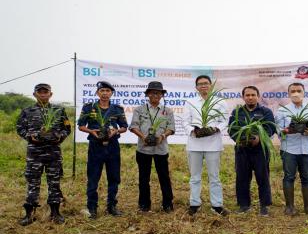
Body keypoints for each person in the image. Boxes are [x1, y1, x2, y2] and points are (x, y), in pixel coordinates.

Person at [16, 83, 71, 225]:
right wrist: (30, 136)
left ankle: (55, 212)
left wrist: (60, 136)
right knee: (33, 183)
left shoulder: (59, 110)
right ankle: (29, 213)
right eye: (39, 92)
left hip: (53, 153)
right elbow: (20, 128)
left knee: (54, 182)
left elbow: (67, 128)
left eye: (45, 92)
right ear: (35, 94)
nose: (42, 94)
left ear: (50, 94)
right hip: (35, 153)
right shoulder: (27, 111)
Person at [78, 81, 128, 219]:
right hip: (95, 146)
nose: (105, 93)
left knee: (114, 177)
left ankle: (112, 205)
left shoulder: (117, 109)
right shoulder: (89, 107)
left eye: (107, 91)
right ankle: (92, 207)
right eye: (102, 91)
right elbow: (81, 125)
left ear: (111, 93)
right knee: (93, 177)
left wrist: (116, 131)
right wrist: (91, 131)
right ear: (97, 93)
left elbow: (124, 126)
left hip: (112, 146)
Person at [182, 75, 229, 216]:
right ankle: (194, 204)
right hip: (194, 144)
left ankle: (217, 205)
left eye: (206, 83)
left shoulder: (220, 101)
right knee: (195, 177)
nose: (203, 86)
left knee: (214, 176)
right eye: (200, 84)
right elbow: (185, 121)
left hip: (213, 144)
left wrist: (215, 129)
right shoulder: (190, 102)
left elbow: (225, 120)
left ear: (211, 85)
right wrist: (193, 131)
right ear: (196, 87)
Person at [228, 86, 276, 216]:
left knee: (263, 177)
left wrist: (259, 138)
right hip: (242, 149)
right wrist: (240, 139)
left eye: (253, 95)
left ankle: (264, 206)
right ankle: (244, 205)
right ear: (243, 97)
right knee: (242, 177)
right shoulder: (237, 112)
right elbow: (231, 129)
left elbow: (271, 127)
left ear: (258, 96)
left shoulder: (266, 111)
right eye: (247, 95)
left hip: (260, 150)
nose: (250, 97)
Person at [129, 81, 175, 213]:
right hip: (143, 149)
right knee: (144, 177)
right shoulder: (139, 109)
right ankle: (144, 204)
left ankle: (167, 203)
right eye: (152, 92)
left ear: (162, 95)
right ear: (148, 94)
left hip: (161, 149)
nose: (155, 95)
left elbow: (171, 128)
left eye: (158, 92)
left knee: (164, 177)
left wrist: (162, 137)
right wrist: (143, 137)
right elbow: (133, 126)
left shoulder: (167, 111)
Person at [275, 83, 308, 215]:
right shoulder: (282, 110)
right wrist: (286, 131)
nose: (296, 93)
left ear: (304, 93)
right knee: (289, 177)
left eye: (299, 91)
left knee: (307, 177)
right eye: (293, 91)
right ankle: (289, 207)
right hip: (289, 149)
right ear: (288, 94)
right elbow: (278, 130)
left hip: (307, 149)